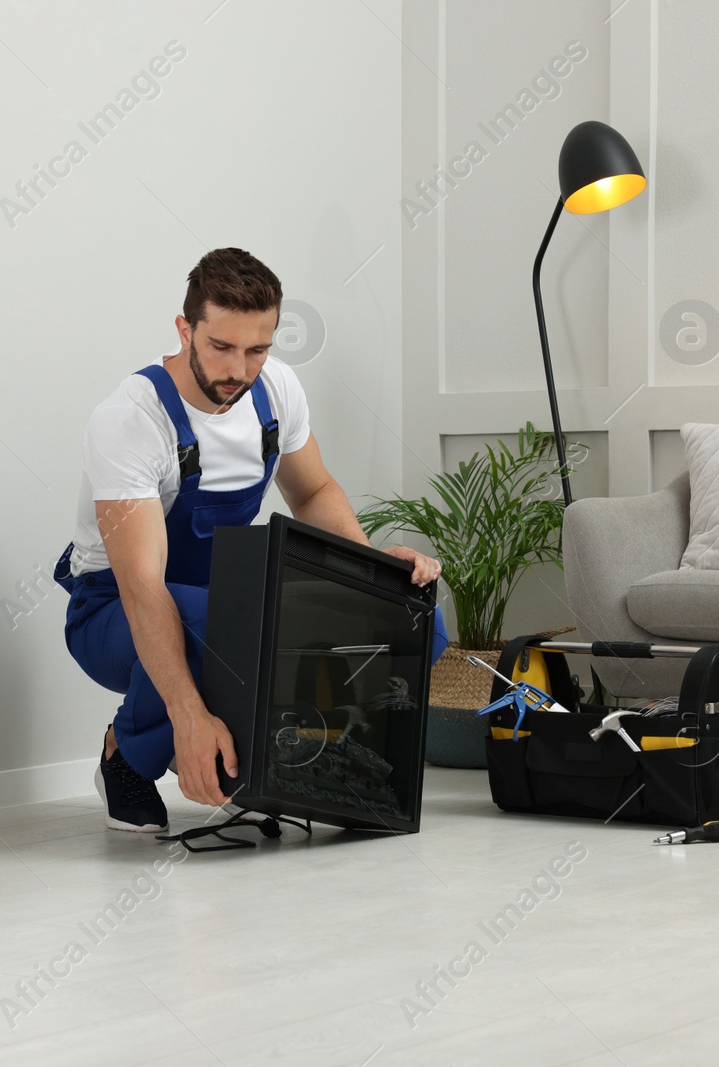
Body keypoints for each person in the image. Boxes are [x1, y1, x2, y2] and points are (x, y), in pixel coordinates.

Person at [53, 248, 449, 832]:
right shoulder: (131, 420)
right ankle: (126, 755)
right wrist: (188, 717)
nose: (238, 369)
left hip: (225, 604)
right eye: (221, 347)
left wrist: (372, 573)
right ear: (186, 329)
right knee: (212, 622)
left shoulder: (275, 392)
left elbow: (312, 492)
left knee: (416, 620)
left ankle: (296, 758)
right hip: (113, 610)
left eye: (257, 350)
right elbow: (142, 586)